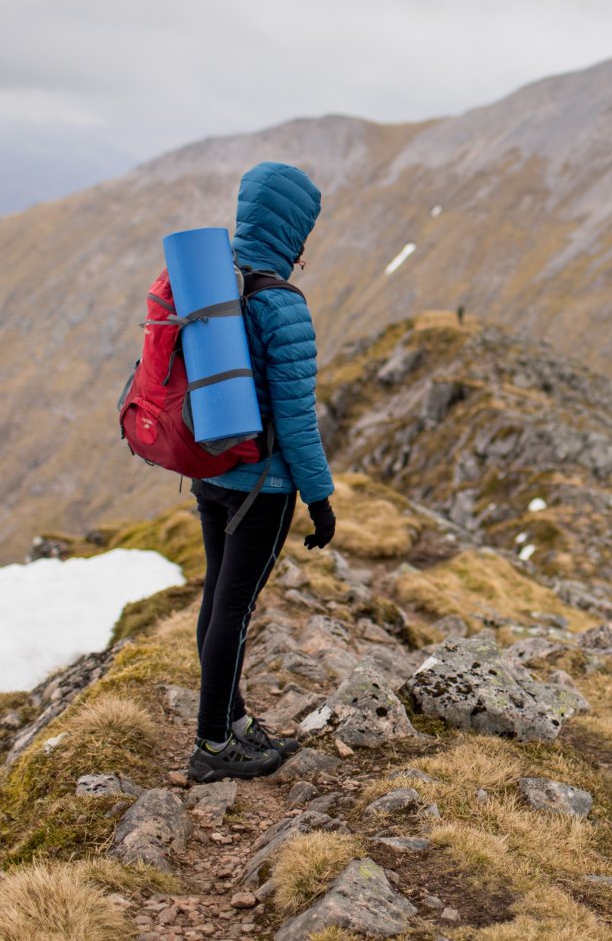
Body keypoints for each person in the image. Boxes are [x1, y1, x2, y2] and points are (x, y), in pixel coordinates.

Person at [187, 161, 338, 783]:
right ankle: (214, 746)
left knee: (217, 600)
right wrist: (320, 499)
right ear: (293, 231)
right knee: (235, 610)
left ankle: (233, 721)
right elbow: (298, 420)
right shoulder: (281, 304)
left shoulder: (210, 286)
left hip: (211, 472)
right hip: (263, 487)